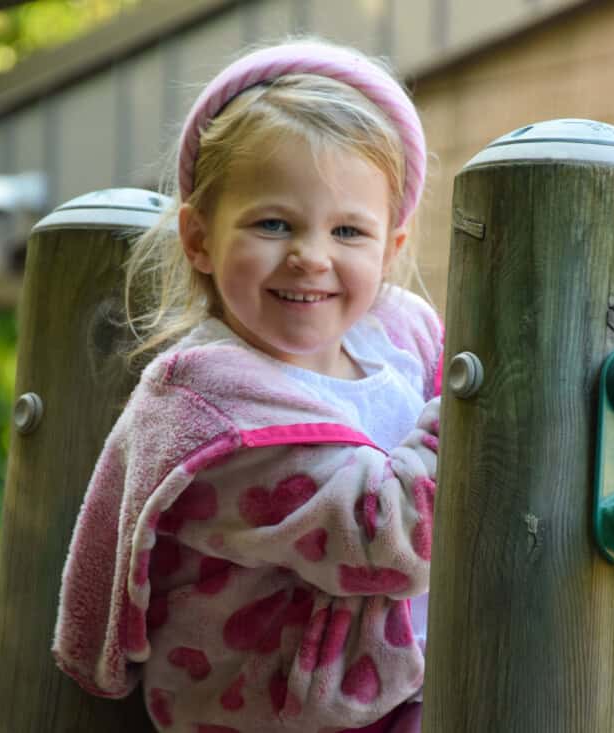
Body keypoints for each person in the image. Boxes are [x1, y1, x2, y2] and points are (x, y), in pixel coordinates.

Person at [53, 38, 440, 733]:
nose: (311, 256)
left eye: (349, 230)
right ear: (199, 239)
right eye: (273, 223)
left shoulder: (398, 337)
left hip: (386, 692)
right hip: (290, 715)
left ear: (390, 250)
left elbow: (469, 387)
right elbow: (384, 537)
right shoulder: (218, 408)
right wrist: (489, 419)